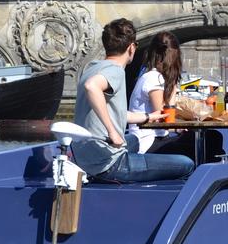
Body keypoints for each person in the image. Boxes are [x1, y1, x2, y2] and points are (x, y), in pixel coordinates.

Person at [72, 18, 194, 182]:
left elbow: (118, 113)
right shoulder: (115, 71)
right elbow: (91, 87)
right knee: (186, 164)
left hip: (84, 156)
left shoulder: (92, 67)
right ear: (131, 47)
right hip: (109, 164)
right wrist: (112, 132)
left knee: (134, 140)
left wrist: (148, 117)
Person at [127, 31, 184, 154]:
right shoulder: (154, 78)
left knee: (210, 138)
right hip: (148, 142)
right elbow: (164, 117)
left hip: (157, 138)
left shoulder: (150, 76)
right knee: (210, 139)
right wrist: (173, 85)